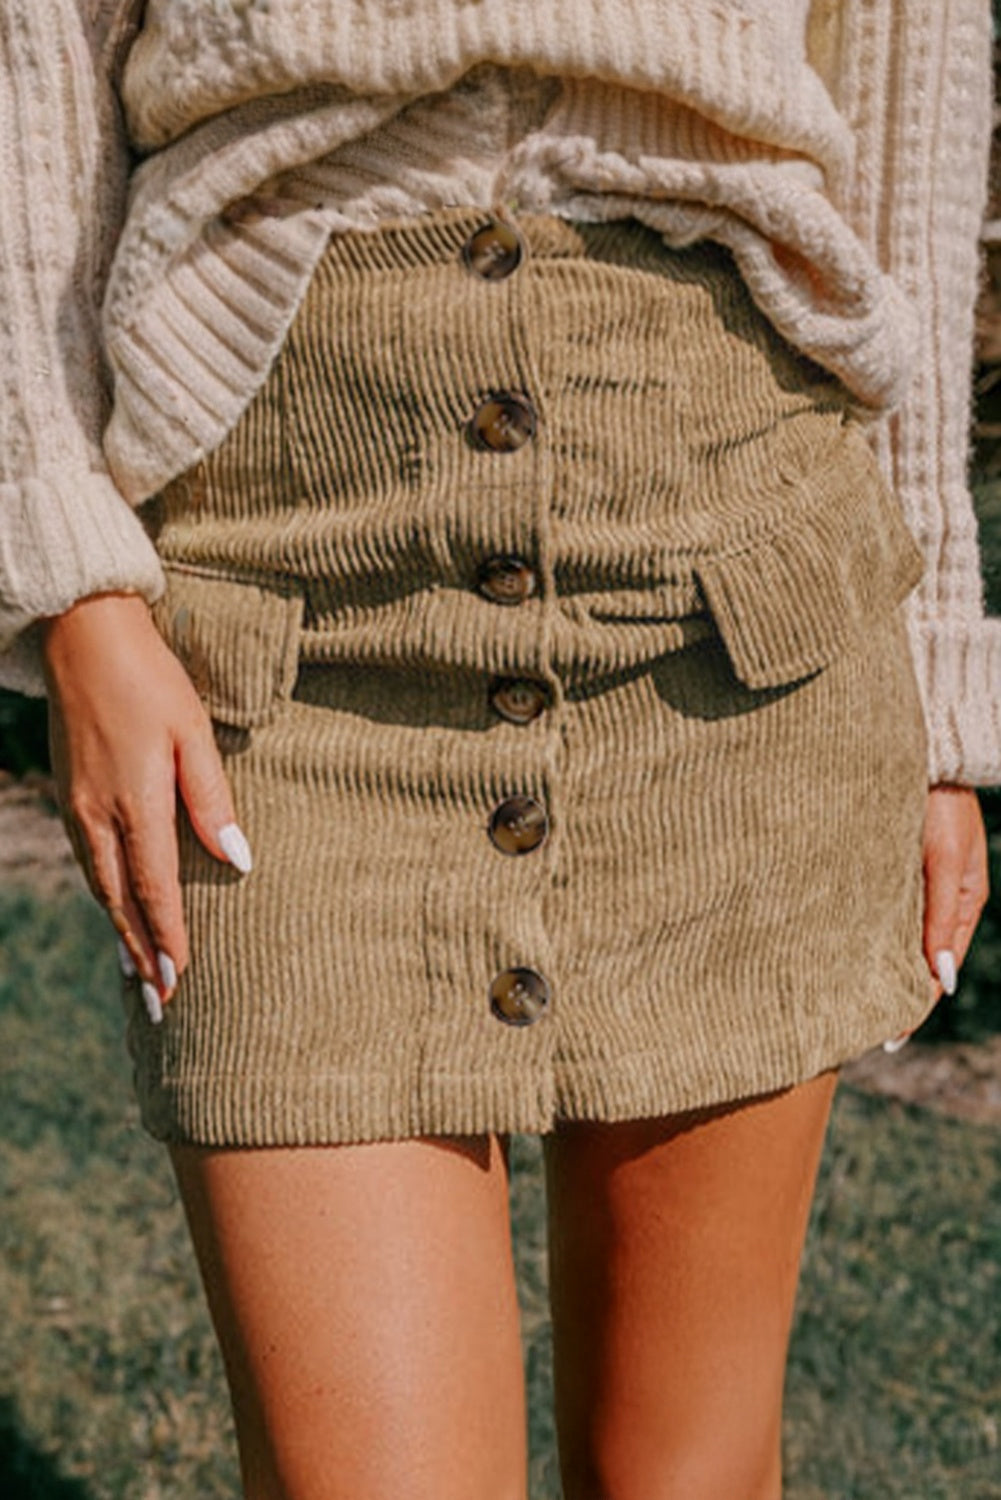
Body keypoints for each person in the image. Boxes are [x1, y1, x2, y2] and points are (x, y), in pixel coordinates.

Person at [1, 2, 996, 1496]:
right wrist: (72, 586)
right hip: (288, 607)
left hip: (734, 592)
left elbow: (911, 130)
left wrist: (939, 687)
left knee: (687, 1478)